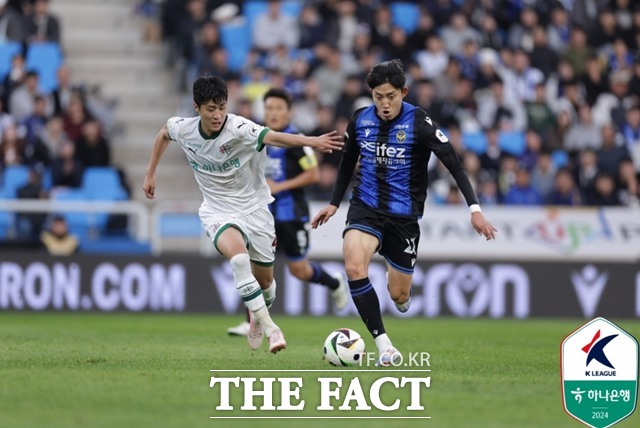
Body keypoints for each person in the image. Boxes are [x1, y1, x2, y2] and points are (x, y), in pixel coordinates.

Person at [311, 60, 497, 366]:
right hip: (365, 207)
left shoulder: (419, 122)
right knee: (354, 267)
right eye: (378, 97)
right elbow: (347, 163)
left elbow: (454, 163)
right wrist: (334, 203)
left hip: (404, 217)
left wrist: (474, 210)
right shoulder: (359, 120)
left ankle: (398, 286)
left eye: (391, 96)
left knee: (399, 296)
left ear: (404, 92)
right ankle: (384, 345)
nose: (385, 104)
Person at [142, 75, 342, 354]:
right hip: (217, 211)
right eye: (210, 109)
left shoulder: (238, 127)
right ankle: (271, 328)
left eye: (222, 107)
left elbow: (274, 137)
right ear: (196, 107)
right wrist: (151, 172)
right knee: (238, 260)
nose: (217, 115)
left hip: (255, 210)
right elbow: (164, 133)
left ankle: (258, 316)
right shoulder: (183, 128)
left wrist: (311, 141)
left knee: (266, 284)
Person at [227, 88, 349, 337]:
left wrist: (280, 186)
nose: (272, 113)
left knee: (299, 270)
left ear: (289, 112)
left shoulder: (296, 140)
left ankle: (335, 282)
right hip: (263, 215)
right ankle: (251, 322)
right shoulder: (258, 137)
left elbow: (313, 174)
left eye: (278, 108)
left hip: (291, 214)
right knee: (254, 266)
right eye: (269, 108)